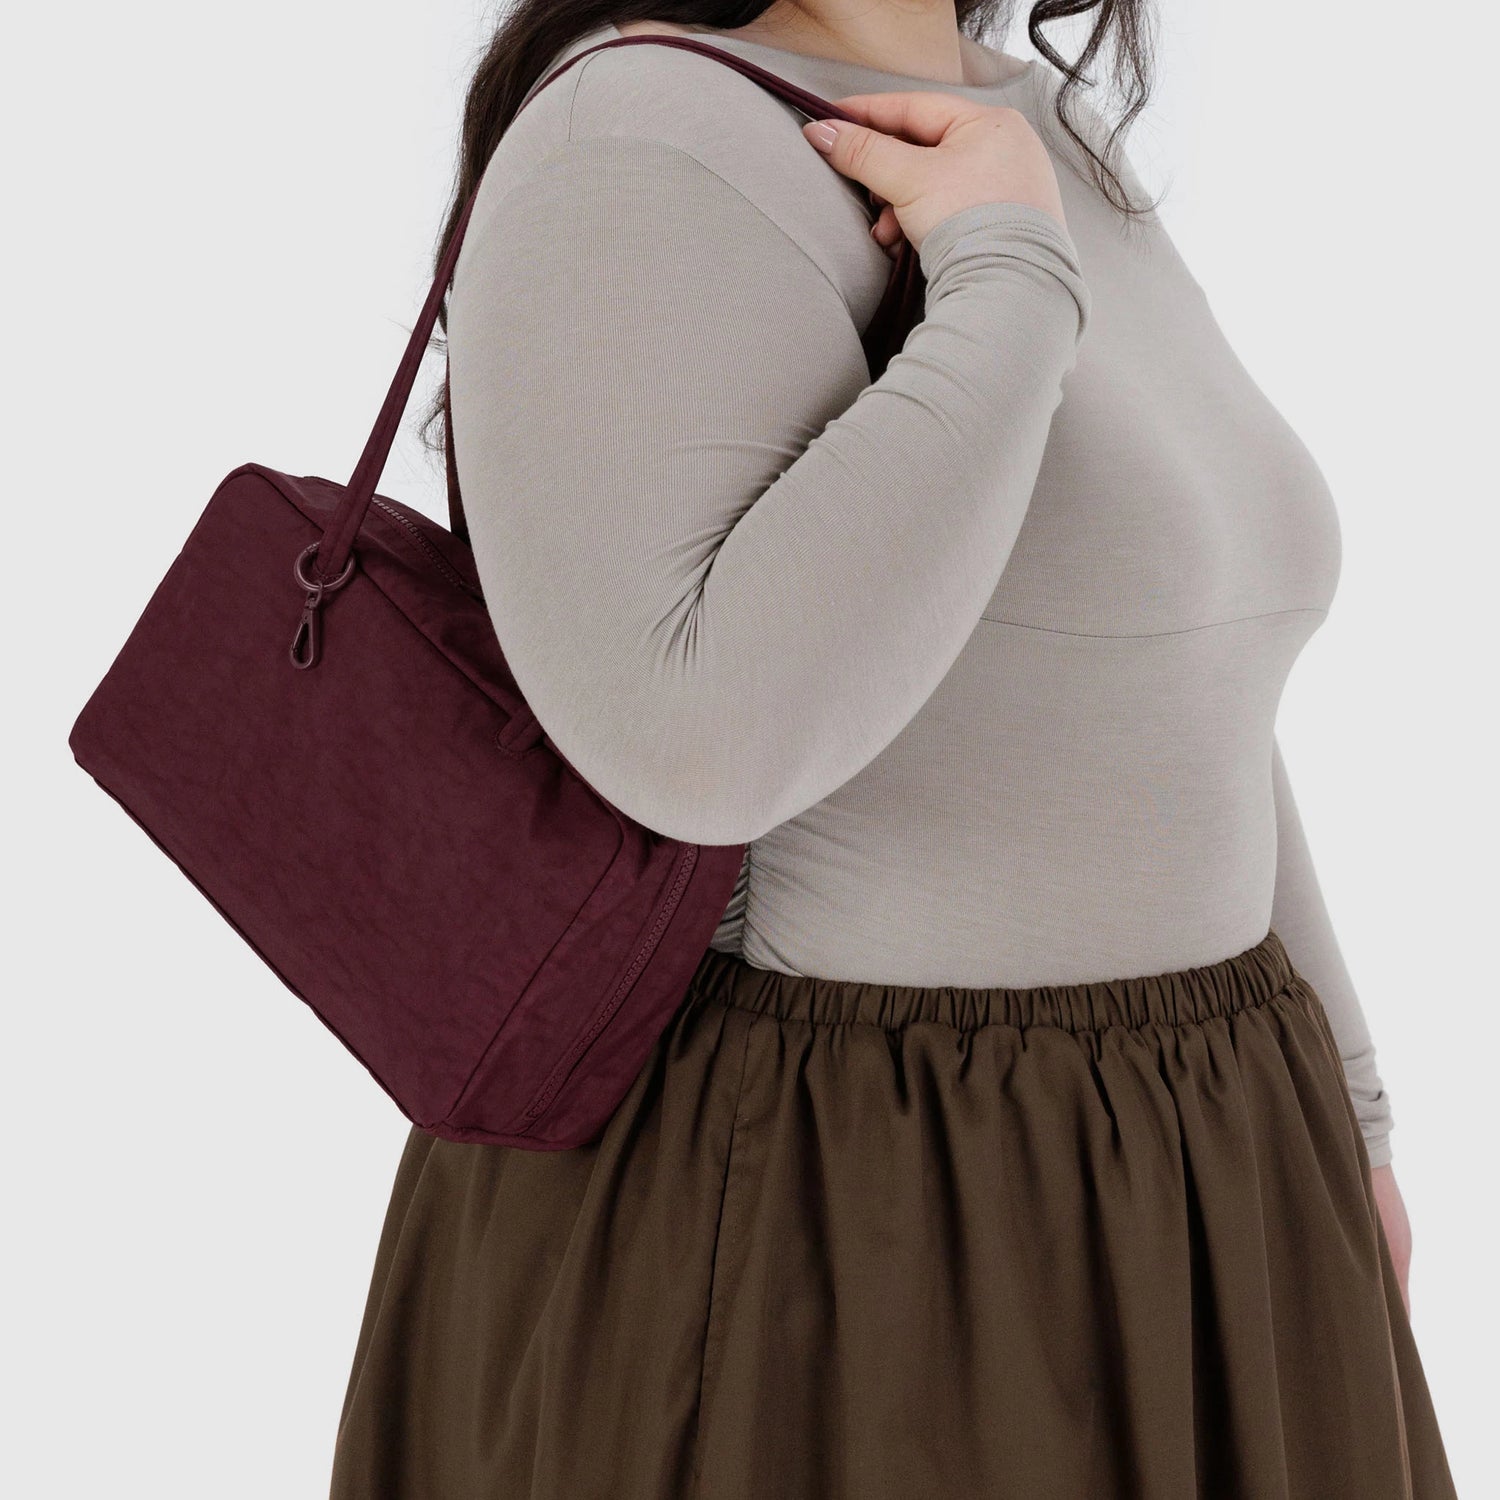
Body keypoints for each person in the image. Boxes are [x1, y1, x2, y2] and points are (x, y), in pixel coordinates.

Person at [328, 3, 1458, 1495]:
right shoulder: (647, 133)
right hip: (836, 1206)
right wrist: (1001, 283)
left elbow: (1193, 674)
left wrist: (1347, 1115)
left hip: (1208, 1167)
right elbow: (693, 739)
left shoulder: (1036, 135)